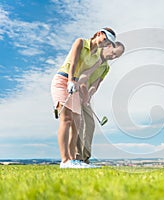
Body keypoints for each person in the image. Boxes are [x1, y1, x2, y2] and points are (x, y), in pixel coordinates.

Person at [51, 27, 116, 168]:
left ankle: (73, 159)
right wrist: (70, 81)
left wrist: (86, 96)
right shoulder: (80, 42)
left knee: (77, 123)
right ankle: (65, 160)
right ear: (99, 34)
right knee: (66, 119)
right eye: (105, 40)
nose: (104, 44)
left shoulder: (97, 57)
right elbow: (73, 63)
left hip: (75, 85)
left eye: (107, 43)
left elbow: (85, 77)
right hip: (63, 81)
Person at [76, 41, 125, 164]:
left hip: (86, 95)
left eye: (116, 57)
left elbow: (96, 84)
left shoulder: (106, 67)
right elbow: (82, 76)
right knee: (79, 123)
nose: (113, 57)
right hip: (76, 90)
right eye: (113, 53)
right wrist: (85, 94)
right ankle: (76, 157)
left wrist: (89, 95)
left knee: (90, 124)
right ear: (108, 46)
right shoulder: (93, 55)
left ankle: (85, 158)